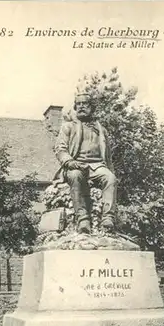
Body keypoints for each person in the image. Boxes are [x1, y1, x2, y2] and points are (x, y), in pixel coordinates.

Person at [53, 92, 117, 234]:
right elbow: (60, 149)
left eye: (85, 104)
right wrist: (70, 162)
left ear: (92, 107)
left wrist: (110, 169)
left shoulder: (101, 130)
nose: (81, 106)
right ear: (75, 107)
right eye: (79, 104)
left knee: (110, 179)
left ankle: (108, 218)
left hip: (97, 166)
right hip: (76, 164)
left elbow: (108, 155)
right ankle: (83, 219)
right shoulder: (68, 126)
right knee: (75, 176)